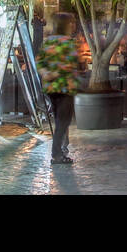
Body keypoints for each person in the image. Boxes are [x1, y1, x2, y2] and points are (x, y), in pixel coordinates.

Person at [35, 12, 80, 164]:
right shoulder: (69, 43)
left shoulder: (48, 42)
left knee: (59, 119)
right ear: (65, 25)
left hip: (50, 88)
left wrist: (46, 73)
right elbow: (70, 65)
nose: (73, 25)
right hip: (65, 87)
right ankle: (57, 154)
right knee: (63, 121)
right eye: (71, 23)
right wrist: (57, 73)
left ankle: (60, 149)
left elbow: (39, 62)